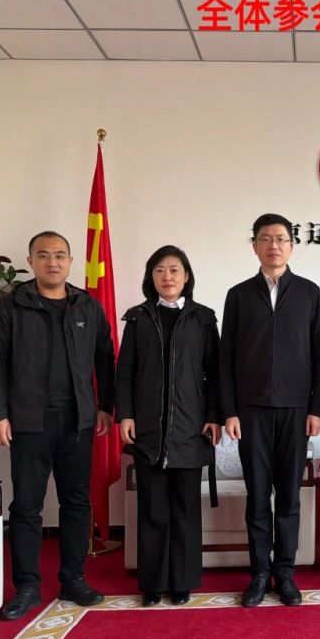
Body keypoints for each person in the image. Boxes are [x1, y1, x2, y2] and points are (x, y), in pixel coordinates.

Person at [0, 231, 115, 620]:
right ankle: (27, 586)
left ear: (71, 261)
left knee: (76, 502)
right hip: (29, 422)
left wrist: (106, 406)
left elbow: (105, 357)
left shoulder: (86, 306)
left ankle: (73, 579)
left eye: (60, 255)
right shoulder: (11, 306)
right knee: (27, 505)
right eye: (43, 255)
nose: (52, 262)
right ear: (31, 261)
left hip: (77, 421)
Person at [220, 213, 320, 607]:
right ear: (255, 246)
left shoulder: (309, 292)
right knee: (257, 496)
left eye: (281, 239)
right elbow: (226, 358)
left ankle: (285, 572)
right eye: (266, 238)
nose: (274, 245)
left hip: (296, 411)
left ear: (292, 246)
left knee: (289, 497)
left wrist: (317, 408)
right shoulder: (238, 295)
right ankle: (259, 573)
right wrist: (229, 410)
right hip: (251, 412)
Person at [116, 246, 221, 607]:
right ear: (151, 277)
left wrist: (213, 416)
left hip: (191, 429)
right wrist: (126, 414)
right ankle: (152, 583)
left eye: (175, 270)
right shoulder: (139, 318)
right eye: (160, 270)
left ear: (186, 276)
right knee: (153, 509)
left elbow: (215, 373)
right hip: (148, 430)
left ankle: (182, 582)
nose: (168, 277)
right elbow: (125, 372)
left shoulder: (203, 318)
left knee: (185, 509)